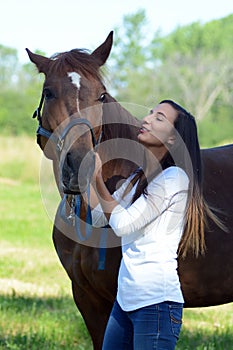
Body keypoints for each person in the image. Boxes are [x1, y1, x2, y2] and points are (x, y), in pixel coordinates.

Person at [90, 99, 218, 350]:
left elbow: (123, 225)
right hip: (125, 302)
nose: (147, 119)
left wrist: (97, 178)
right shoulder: (138, 178)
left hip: (156, 306)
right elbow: (98, 216)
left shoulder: (174, 179)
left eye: (159, 118)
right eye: (150, 113)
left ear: (173, 139)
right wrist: (84, 175)